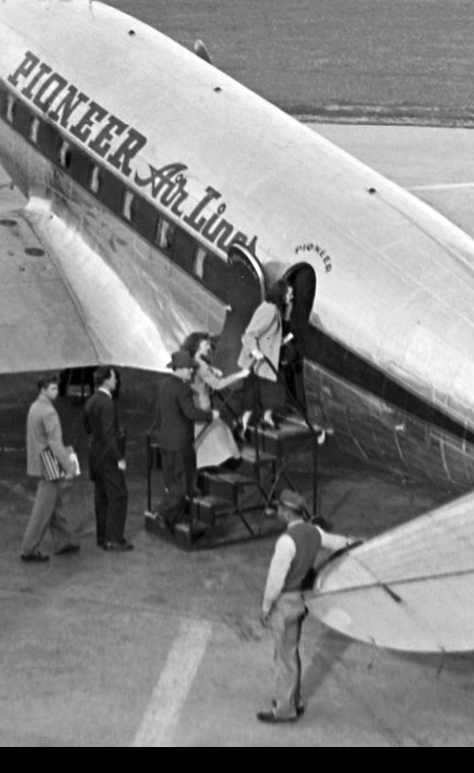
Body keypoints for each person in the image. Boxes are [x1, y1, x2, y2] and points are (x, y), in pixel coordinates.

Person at [257, 489, 358, 723]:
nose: (278, 512)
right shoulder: (315, 532)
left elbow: (275, 580)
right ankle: (293, 699)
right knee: (291, 652)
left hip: (284, 602)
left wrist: (265, 607)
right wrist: (359, 542)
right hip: (301, 600)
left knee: (283, 656)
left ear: (285, 511)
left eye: (280, 509)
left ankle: (285, 710)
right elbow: (340, 542)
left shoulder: (286, 542)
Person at [20, 373, 80, 563]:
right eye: (53, 389)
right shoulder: (49, 412)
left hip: (39, 462)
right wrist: (69, 466)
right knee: (43, 508)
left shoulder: (35, 407)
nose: (56, 392)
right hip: (50, 464)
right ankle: (29, 549)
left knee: (53, 503)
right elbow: (56, 443)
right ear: (44, 389)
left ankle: (63, 541)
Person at [154, 350, 212, 530]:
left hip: (165, 440)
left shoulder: (164, 384)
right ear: (179, 369)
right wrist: (210, 415)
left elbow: (160, 412)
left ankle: (174, 518)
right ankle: (163, 513)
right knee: (182, 484)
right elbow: (190, 412)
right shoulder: (183, 388)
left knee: (171, 481)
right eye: (189, 369)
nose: (191, 372)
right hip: (180, 443)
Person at [179, 332, 247, 470]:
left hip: (194, 405)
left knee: (209, 439)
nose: (208, 347)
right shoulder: (201, 365)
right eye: (205, 344)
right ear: (197, 346)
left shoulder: (191, 360)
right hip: (203, 406)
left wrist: (212, 370)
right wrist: (238, 375)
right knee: (220, 435)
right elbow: (217, 384)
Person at [84, 366, 133, 552]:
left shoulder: (91, 401)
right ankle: (114, 539)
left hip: (94, 456)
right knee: (119, 495)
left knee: (101, 497)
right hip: (108, 459)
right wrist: (119, 457)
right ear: (105, 380)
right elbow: (109, 434)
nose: (116, 381)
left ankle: (102, 537)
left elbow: (88, 427)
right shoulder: (107, 404)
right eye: (113, 378)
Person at [239, 280, 293, 433]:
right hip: (261, 361)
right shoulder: (269, 310)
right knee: (255, 393)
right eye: (289, 294)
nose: (292, 296)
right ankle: (243, 425)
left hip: (269, 358)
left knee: (274, 389)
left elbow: (269, 334)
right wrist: (255, 351)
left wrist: (278, 341)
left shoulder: (275, 309)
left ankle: (267, 418)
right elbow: (250, 334)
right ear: (281, 294)